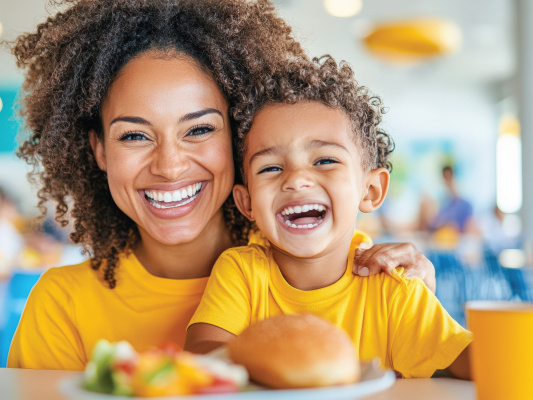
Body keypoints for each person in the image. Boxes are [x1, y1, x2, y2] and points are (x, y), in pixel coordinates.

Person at [7, 0, 435, 371]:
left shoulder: (329, 272)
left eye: (199, 130)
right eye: (134, 136)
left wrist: (416, 300)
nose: (170, 167)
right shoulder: (61, 306)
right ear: (99, 150)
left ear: (240, 138)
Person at [184, 57, 472, 379]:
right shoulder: (241, 272)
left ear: (371, 190)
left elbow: (476, 364)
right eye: (271, 168)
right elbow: (201, 355)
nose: (295, 179)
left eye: (324, 160)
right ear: (247, 202)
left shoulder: (393, 288)